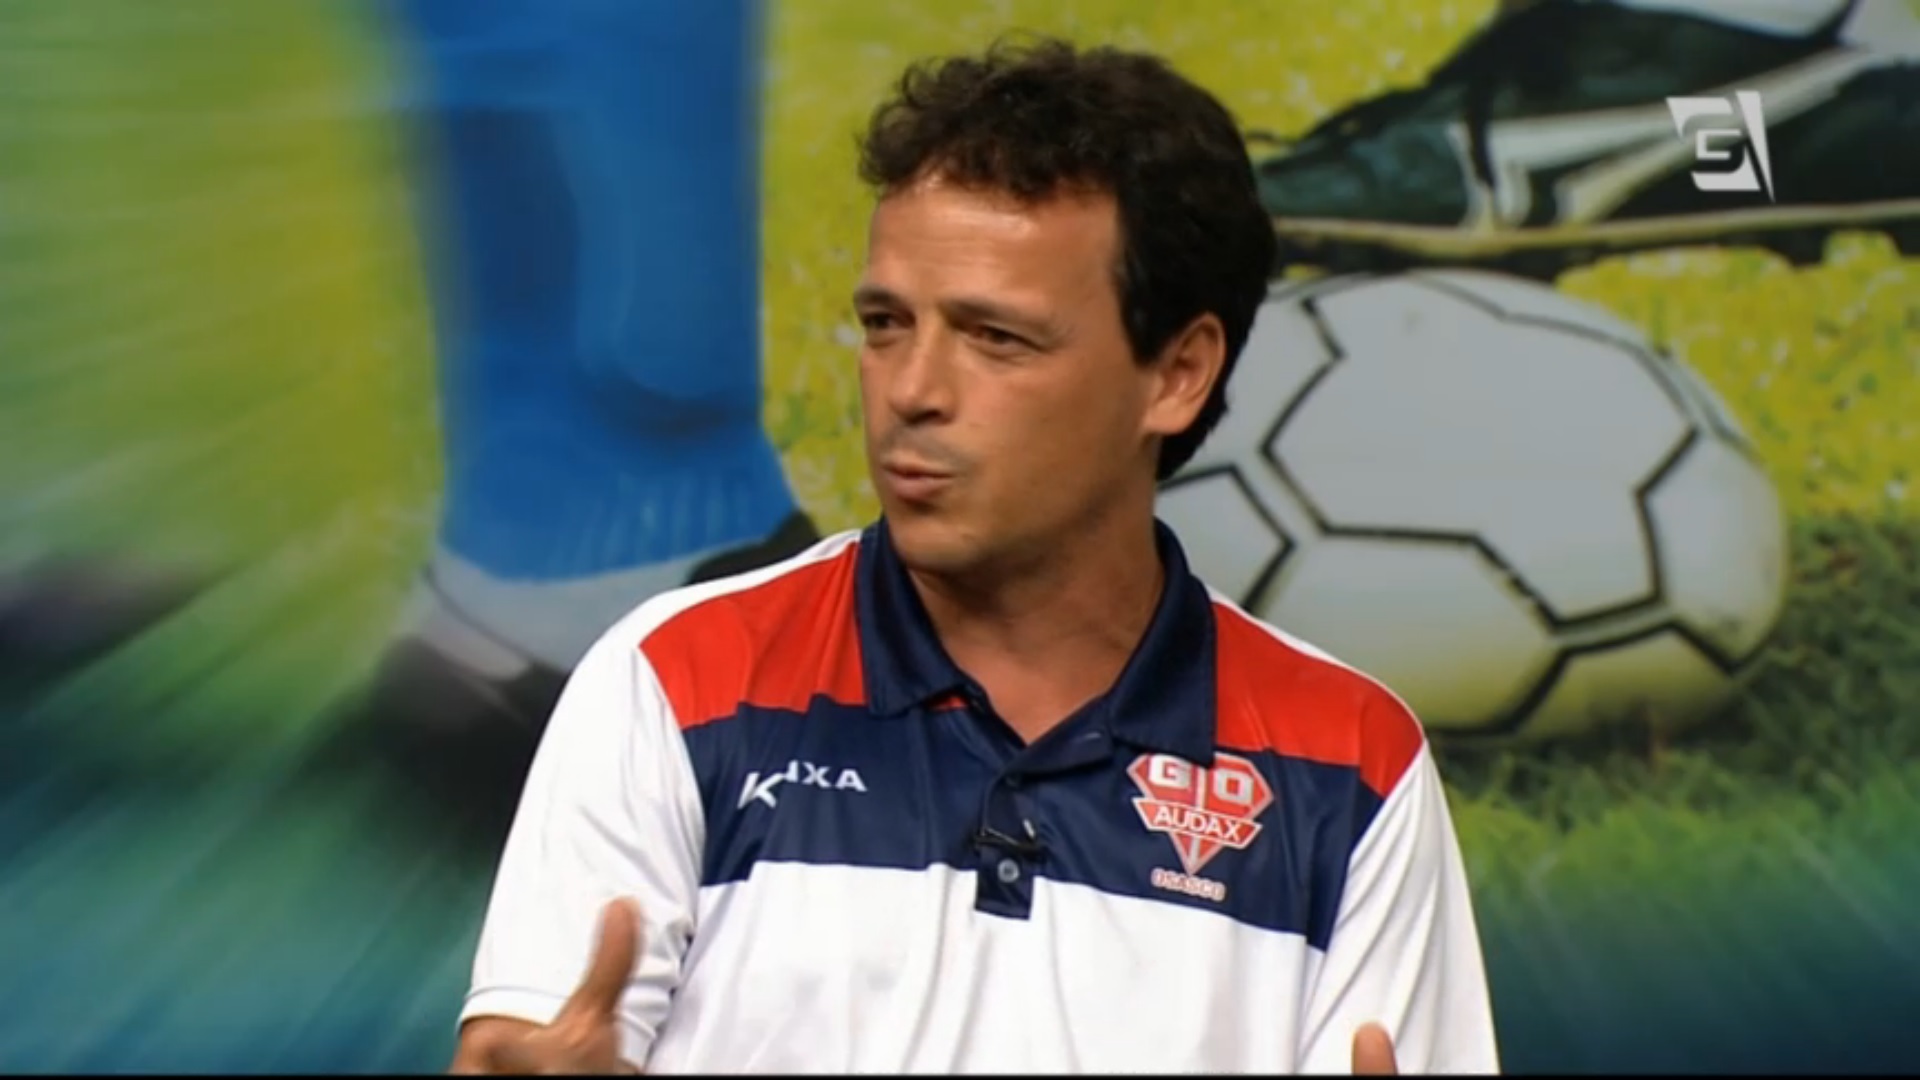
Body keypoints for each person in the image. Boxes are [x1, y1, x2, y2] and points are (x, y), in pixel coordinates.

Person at [447, 35, 1500, 1075]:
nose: (912, 391)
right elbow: (530, 1057)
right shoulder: (676, 684)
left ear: (1177, 373)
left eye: (996, 337)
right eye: (886, 324)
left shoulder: (1353, 767)